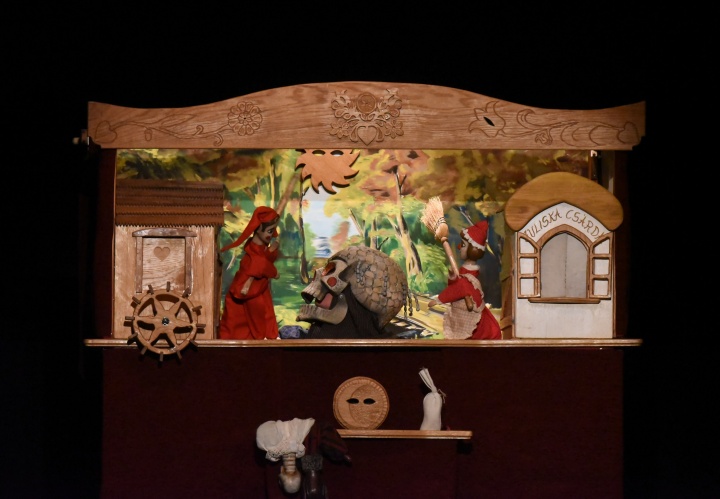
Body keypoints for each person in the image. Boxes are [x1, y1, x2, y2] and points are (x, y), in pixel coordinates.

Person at [428, 220, 501, 340]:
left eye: (463, 245)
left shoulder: (470, 279)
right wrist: (453, 277)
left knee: (469, 332)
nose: (458, 247)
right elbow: (457, 285)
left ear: (472, 250)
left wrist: (438, 300)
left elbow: (460, 288)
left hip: (474, 319)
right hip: (463, 310)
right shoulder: (465, 272)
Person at [219, 206, 281, 339]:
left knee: (264, 311)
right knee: (255, 313)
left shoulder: (259, 248)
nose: (272, 235)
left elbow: (264, 260)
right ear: (258, 229)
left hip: (259, 288)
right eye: (270, 231)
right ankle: (260, 336)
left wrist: (272, 250)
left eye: (273, 230)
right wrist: (274, 272)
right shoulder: (252, 252)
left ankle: (265, 335)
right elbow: (260, 264)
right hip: (250, 292)